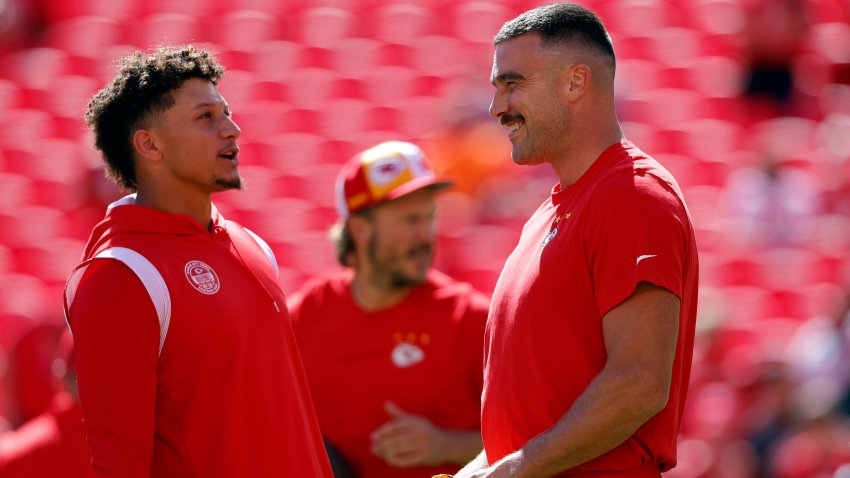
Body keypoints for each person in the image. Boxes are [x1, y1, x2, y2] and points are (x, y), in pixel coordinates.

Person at [62, 45, 331, 477]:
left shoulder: (253, 246)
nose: (232, 129)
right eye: (206, 117)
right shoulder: (121, 274)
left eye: (226, 112)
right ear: (149, 144)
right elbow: (119, 463)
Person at [454, 4, 699, 477]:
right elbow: (538, 407)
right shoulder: (548, 214)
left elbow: (640, 381)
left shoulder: (633, 196)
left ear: (575, 82)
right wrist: (483, 469)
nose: (496, 108)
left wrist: (511, 470)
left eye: (513, 84)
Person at [287, 141, 489, 478]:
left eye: (429, 217)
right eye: (409, 220)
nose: (425, 235)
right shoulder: (304, 317)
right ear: (360, 229)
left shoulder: (470, 319)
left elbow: (535, 442)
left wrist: (446, 445)